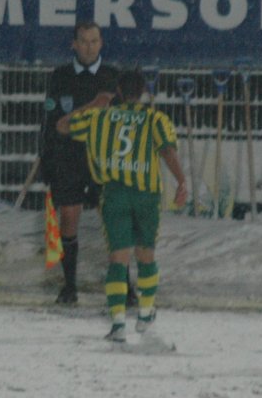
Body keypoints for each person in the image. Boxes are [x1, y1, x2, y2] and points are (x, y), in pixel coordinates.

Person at [56, 69, 188, 342]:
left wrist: (94, 103)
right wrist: (182, 181)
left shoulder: (99, 117)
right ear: (143, 92)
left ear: (117, 90)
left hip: (114, 193)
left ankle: (117, 323)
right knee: (146, 255)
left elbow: (62, 126)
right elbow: (167, 151)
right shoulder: (155, 119)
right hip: (146, 194)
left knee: (118, 258)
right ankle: (145, 315)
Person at [40, 21, 137, 305]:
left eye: (94, 41)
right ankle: (70, 287)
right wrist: (46, 157)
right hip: (68, 159)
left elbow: (125, 121)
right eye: (83, 41)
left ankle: (125, 286)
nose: (89, 47)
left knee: (115, 221)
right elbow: (53, 123)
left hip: (104, 159)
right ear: (73, 44)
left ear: (101, 43)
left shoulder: (113, 76)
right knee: (69, 219)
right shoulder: (59, 76)